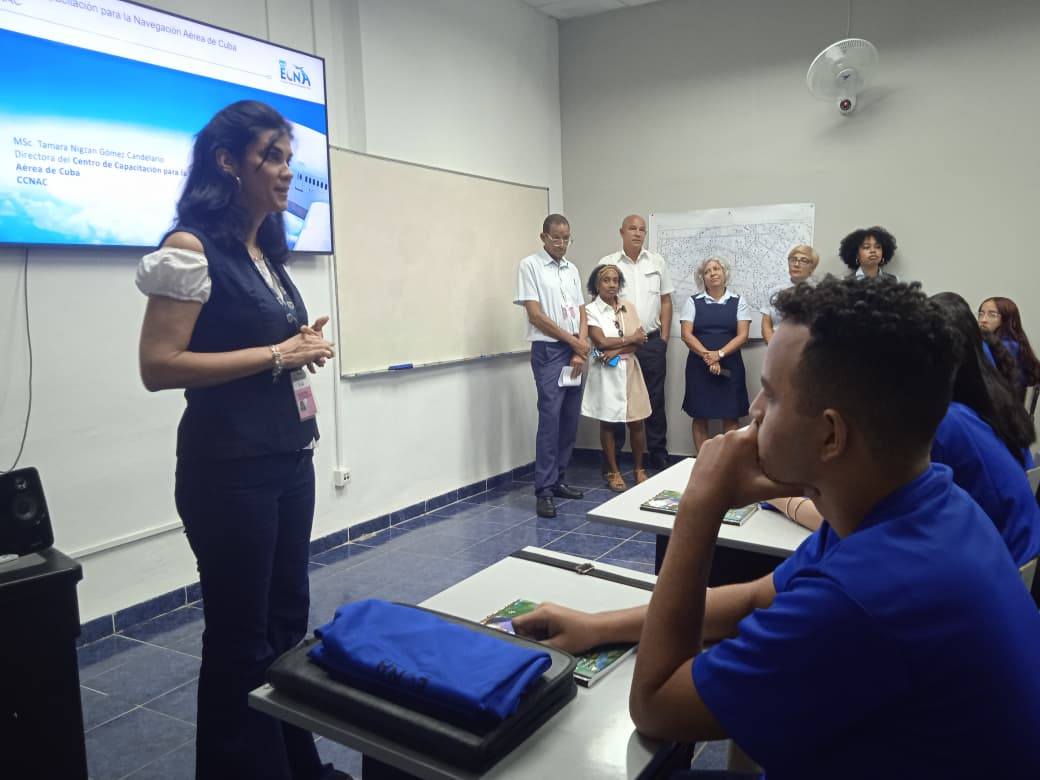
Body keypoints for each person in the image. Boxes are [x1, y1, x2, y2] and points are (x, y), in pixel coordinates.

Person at [513, 278, 1040, 778]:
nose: (754, 411)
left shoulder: (861, 598)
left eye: (770, 395)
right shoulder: (916, 503)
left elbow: (655, 705)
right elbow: (752, 598)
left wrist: (701, 504)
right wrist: (599, 625)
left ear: (831, 435)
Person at [136, 101, 342, 779]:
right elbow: (159, 366)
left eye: (289, 157)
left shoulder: (266, 252)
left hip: (288, 463)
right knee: (239, 638)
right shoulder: (191, 247)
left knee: (286, 627)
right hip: (229, 473)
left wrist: (297, 346)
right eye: (271, 157)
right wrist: (276, 355)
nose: (287, 172)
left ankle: (294, 766)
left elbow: (268, 348)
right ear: (227, 163)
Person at [769, 291, 1040, 566]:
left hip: (981, 567)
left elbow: (861, 526)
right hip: (1008, 561)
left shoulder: (941, 424)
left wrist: (781, 499)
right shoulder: (985, 406)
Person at [515, 214, 589, 519]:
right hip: (549, 351)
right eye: (555, 238)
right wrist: (573, 344)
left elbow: (582, 310)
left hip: (575, 349)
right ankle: (543, 490)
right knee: (550, 420)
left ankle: (559, 478)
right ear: (543, 237)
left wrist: (581, 347)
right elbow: (536, 315)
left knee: (570, 419)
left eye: (566, 238)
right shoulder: (529, 265)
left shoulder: (571, 268)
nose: (561, 244)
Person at [597, 215, 675, 471]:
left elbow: (665, 301)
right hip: (619, 344)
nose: (638, 233)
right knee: (619, 398)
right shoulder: (608, 263)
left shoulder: (657, 262)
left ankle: (658, 454)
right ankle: (615, 459)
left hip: (651, 342)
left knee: (654, 399)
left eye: (642, 229)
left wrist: (663, 340)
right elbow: (601, 304)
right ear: (621, 232)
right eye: (632, 228)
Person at [581, 263, 652, 492]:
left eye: (615, 280)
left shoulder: (628, 307)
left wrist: (616, 348)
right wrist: (627, 340)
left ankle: (639, 469)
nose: (611, 285)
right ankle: (613, 471)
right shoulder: (590, 310)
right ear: (596, 284)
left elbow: (642, 340)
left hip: (630, 368)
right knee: (608, 422)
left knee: (637, 421)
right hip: (606, 374)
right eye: (606, 280)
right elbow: (600, 341)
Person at [679, 257, 751, 453]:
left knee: (730, 415)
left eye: (716, 269)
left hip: (730, 365)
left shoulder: (738, 301)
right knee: (700, 414)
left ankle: (727, 465)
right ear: (703, 278)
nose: (713, 273)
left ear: (724, 273)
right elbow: (686, 334)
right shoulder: (693, 302)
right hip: (699, 366)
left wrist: (718, 354)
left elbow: (743, 335)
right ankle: (703, 463)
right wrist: (707, 356)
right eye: (708, 271)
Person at [977, 296, 1040, 400]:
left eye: (992, 315)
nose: (983, 320)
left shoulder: (1006, 347)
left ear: (1007, 319)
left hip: (998, 410)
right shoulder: (1017, 344)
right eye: (981, 314)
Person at [760, 244, 818, 344]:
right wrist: (774, 347)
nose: (796, 264)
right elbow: (766, 325)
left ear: (812, 267)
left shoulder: (820, 292)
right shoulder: (775, 292)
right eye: (793, 259)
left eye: (803, 260)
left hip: (809, 350)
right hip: (777, 347)